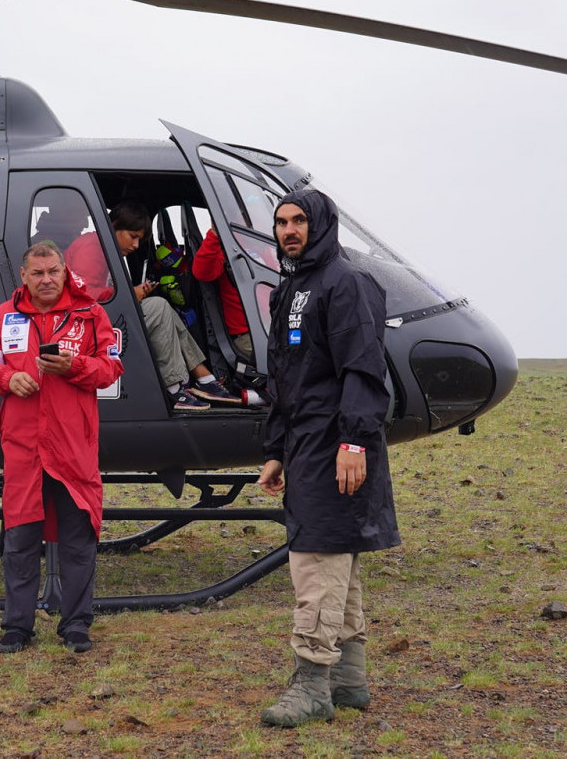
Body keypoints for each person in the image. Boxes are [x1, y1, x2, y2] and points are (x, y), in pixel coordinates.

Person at [257, 189, 400, 729]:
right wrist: (275, 450)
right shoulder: (291, 287)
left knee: (316, 560)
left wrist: (354, 441)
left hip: (339, 442)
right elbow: (286, 377)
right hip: (305, 444)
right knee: (336, 554)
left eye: (299, 221)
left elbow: (363, 369)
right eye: (281, 222)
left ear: (323, 225)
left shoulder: (347, 284)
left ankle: (313, 683)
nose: (289, 230)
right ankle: (348, 680)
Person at [0, 241, 123, 655]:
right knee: (19, 541)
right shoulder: (4, 316)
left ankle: (75, 625)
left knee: (79, 540)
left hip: (73, 450)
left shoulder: (91, 314)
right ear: (24, 276)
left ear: (64, 270)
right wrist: (7, 380)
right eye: (37, 273)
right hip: (24, 451)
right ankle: (17, 627)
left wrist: (74, 367)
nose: (46, 280)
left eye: (53, 271)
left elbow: (111, 369)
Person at [65, 200, 241, 412]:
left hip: (101, 317)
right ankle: (174, 387)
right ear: (114, 226)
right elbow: (84, 297)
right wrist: (130, 295)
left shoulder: (102, 246)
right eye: (133, 237)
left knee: (165, 309)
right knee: (157, 306)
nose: (136, 245)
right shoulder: (92, 247)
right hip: (85, 325)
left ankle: (205, 378)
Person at [191, 225, 254, 364]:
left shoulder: (259, 243)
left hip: (271, 326)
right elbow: (201, 272)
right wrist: (214, 233)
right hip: (249, 335)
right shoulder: (225, 249)